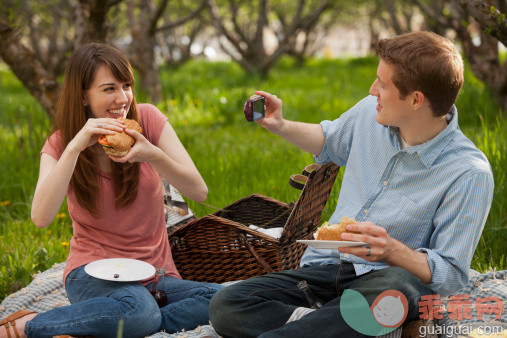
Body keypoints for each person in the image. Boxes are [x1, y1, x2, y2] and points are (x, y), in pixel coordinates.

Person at [209, 31, 494, 337]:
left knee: (395, 288)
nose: (372, 90)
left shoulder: (468, 172)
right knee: (228, 304)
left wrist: (390, 250)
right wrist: (279, 124)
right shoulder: (370, 114)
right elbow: (329, 140)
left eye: (383, 85)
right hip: (326, 269)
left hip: (387, 282)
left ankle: (345, 324)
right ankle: (359, 327)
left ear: (415, 100)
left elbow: (450, 277)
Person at [0, 43, 222, 338]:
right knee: (138, 313)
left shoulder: (148, 120)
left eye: (127, 85)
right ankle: (26, 325)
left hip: (155, 276)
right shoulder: (60, 143)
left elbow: (199, 191)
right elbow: (41, 217)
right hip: (92, 272)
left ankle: (94, 324)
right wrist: (76, 146)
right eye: (109, 89)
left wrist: (152, 155)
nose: (123, 99)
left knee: (223, 299)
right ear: (82, 95)